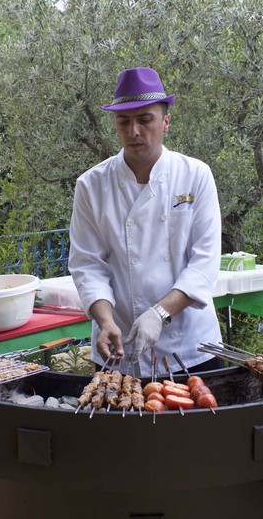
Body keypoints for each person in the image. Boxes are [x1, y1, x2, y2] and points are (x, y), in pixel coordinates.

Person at [68, 67, 223, 378]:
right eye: (123, 122)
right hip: (118, 347)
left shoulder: (195, 175)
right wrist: (105, 321)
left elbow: (204, 262)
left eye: (145, 119)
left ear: (165, 122)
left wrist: (159, 313)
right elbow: (88, 265)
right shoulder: (91, 185)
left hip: (191, 348)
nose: (133, 131)